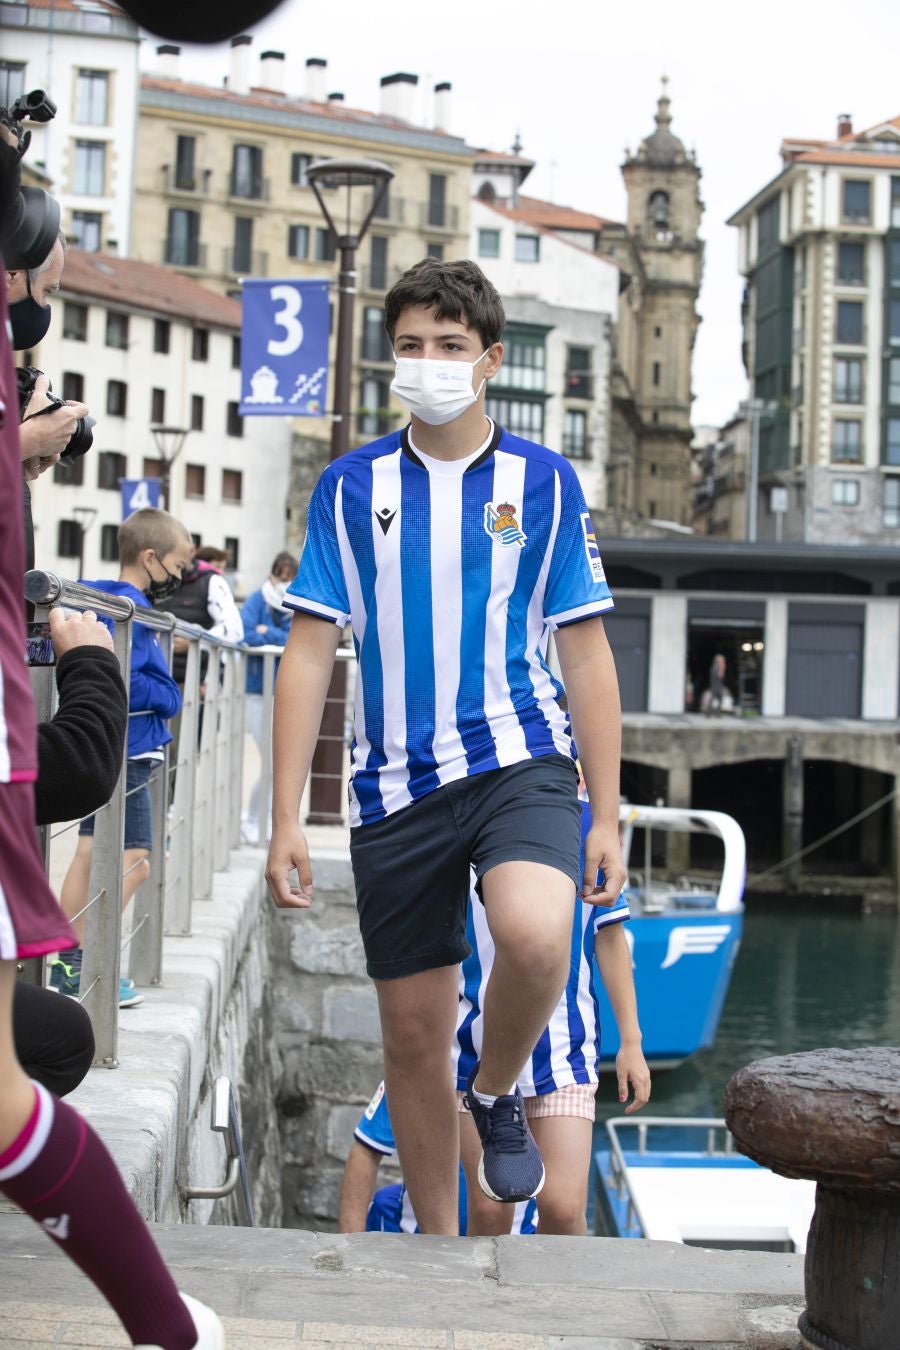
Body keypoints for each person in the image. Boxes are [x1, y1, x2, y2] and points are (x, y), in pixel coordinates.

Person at [267, 257, 627, 1235]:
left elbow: (586, 653)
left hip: (521, 757)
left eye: (450, 345)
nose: (428, 361)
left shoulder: (543, 482)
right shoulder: (351, 487)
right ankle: (436, 1250)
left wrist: (609, 814)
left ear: (489, 359)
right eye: (411, 345)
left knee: (538, 935)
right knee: (414, 1037)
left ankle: (497, 1087)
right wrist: (287, 818)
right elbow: (309, 653)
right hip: (393, 787)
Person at [0, 257, 223, 1347]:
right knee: (13, 1092)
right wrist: (90, 663)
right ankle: (166, 1326)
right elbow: (74, 771)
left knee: (45, 1046)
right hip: (83, 761)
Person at [455, 791, 650, 1236]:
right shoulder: (459, 809)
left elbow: (609, 936)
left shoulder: (586, 823)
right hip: (473, 1043)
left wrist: (631, 1042)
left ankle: (564, 1286)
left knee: (563, 1207)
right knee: (489, 1209)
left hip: (566, 1046)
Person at [55, 508, 192, 1007]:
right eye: (179, 566)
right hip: (131, 749)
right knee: (135, 861)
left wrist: (158, 687)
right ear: (150, 558)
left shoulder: (109, 603)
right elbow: (127, 678)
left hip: (119, 745)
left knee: (91, 854)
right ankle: (82, 963)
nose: (180, 577)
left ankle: (66, 962)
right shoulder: (128, 610)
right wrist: (166, 692)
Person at [338, 1078, 536, 1237]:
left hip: (514, 1244)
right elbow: (367, 1148)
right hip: (418, 1241)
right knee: (384, 1202)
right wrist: (348, 1250)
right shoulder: (422, 1067)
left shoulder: (539, 1074)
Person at [240, 551, 296, 844]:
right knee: (271, 763)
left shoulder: (295, 604)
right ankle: (255, 820)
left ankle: (263, 822)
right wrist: (275, 634)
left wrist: (267, 632)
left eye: (289, 577)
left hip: (284, 693)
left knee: (277, 765)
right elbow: (247, 633)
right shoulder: (256, 599)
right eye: (280, 575)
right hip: (257, 692)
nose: (283, 582)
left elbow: (293, 639)